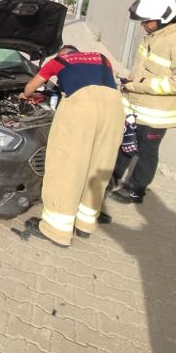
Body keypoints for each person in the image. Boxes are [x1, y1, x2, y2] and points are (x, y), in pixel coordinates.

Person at [19, 45, 125, 247]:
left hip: (82, 109)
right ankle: (85, 225)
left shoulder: (59, 61)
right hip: (114, 108)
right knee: (99, 165)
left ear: (62, 53)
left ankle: (56, 230)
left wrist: (26, 96)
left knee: (67, 166)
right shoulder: (102, 58)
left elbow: (31, 87)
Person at [111, 0, 176, 203]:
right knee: (125, 144)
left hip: (156, 114)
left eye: (146, 21)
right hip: (137, 108)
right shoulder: (153, 37)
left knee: (145, 152)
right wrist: (129, 83)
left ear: (163, 19)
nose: (143, 24)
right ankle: (112, 179)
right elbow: (146, 70)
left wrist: (139, 86)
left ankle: (136, 189)